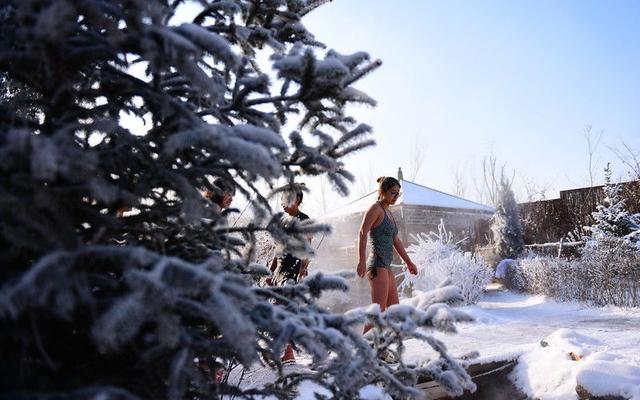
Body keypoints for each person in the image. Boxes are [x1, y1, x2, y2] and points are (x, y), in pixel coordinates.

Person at [357, 176, 418, 333]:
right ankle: (365, 351)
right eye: (393, 193)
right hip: (376, 264)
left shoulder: (389, 213)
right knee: (378, 313)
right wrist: (361, 261)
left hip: (386, 266)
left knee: (393, 311)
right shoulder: (375, 209)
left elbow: (396, 240)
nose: (396, 197)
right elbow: (363, 232)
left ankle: (380, 349)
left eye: (398, 193)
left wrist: (409, 262)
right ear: (381, 192)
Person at [268, 187, 311, 364]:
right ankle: (284, 350)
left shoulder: (303, 219)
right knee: (278, 310)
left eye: (286, 200)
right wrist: (271, 270)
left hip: (293, 268)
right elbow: (278, 249)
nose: (282, 203)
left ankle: (289, 353)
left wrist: (303, 264)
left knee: (288, 310)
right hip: (280, 268)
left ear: (297, 201)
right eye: (281, 200)